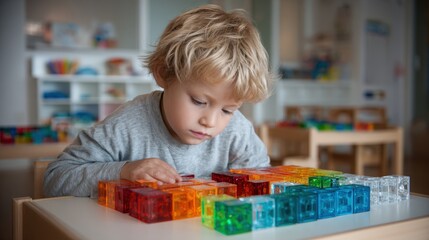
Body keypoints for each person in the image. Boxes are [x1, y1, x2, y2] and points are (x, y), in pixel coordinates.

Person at [44, 4, 273, 197]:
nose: (210, 121)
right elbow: (55, 180)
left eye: (227, 110)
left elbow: (263, 186)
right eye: (198, 101)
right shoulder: (127, 124)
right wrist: (123, 171)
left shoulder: (237, 131)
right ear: (163, 73)